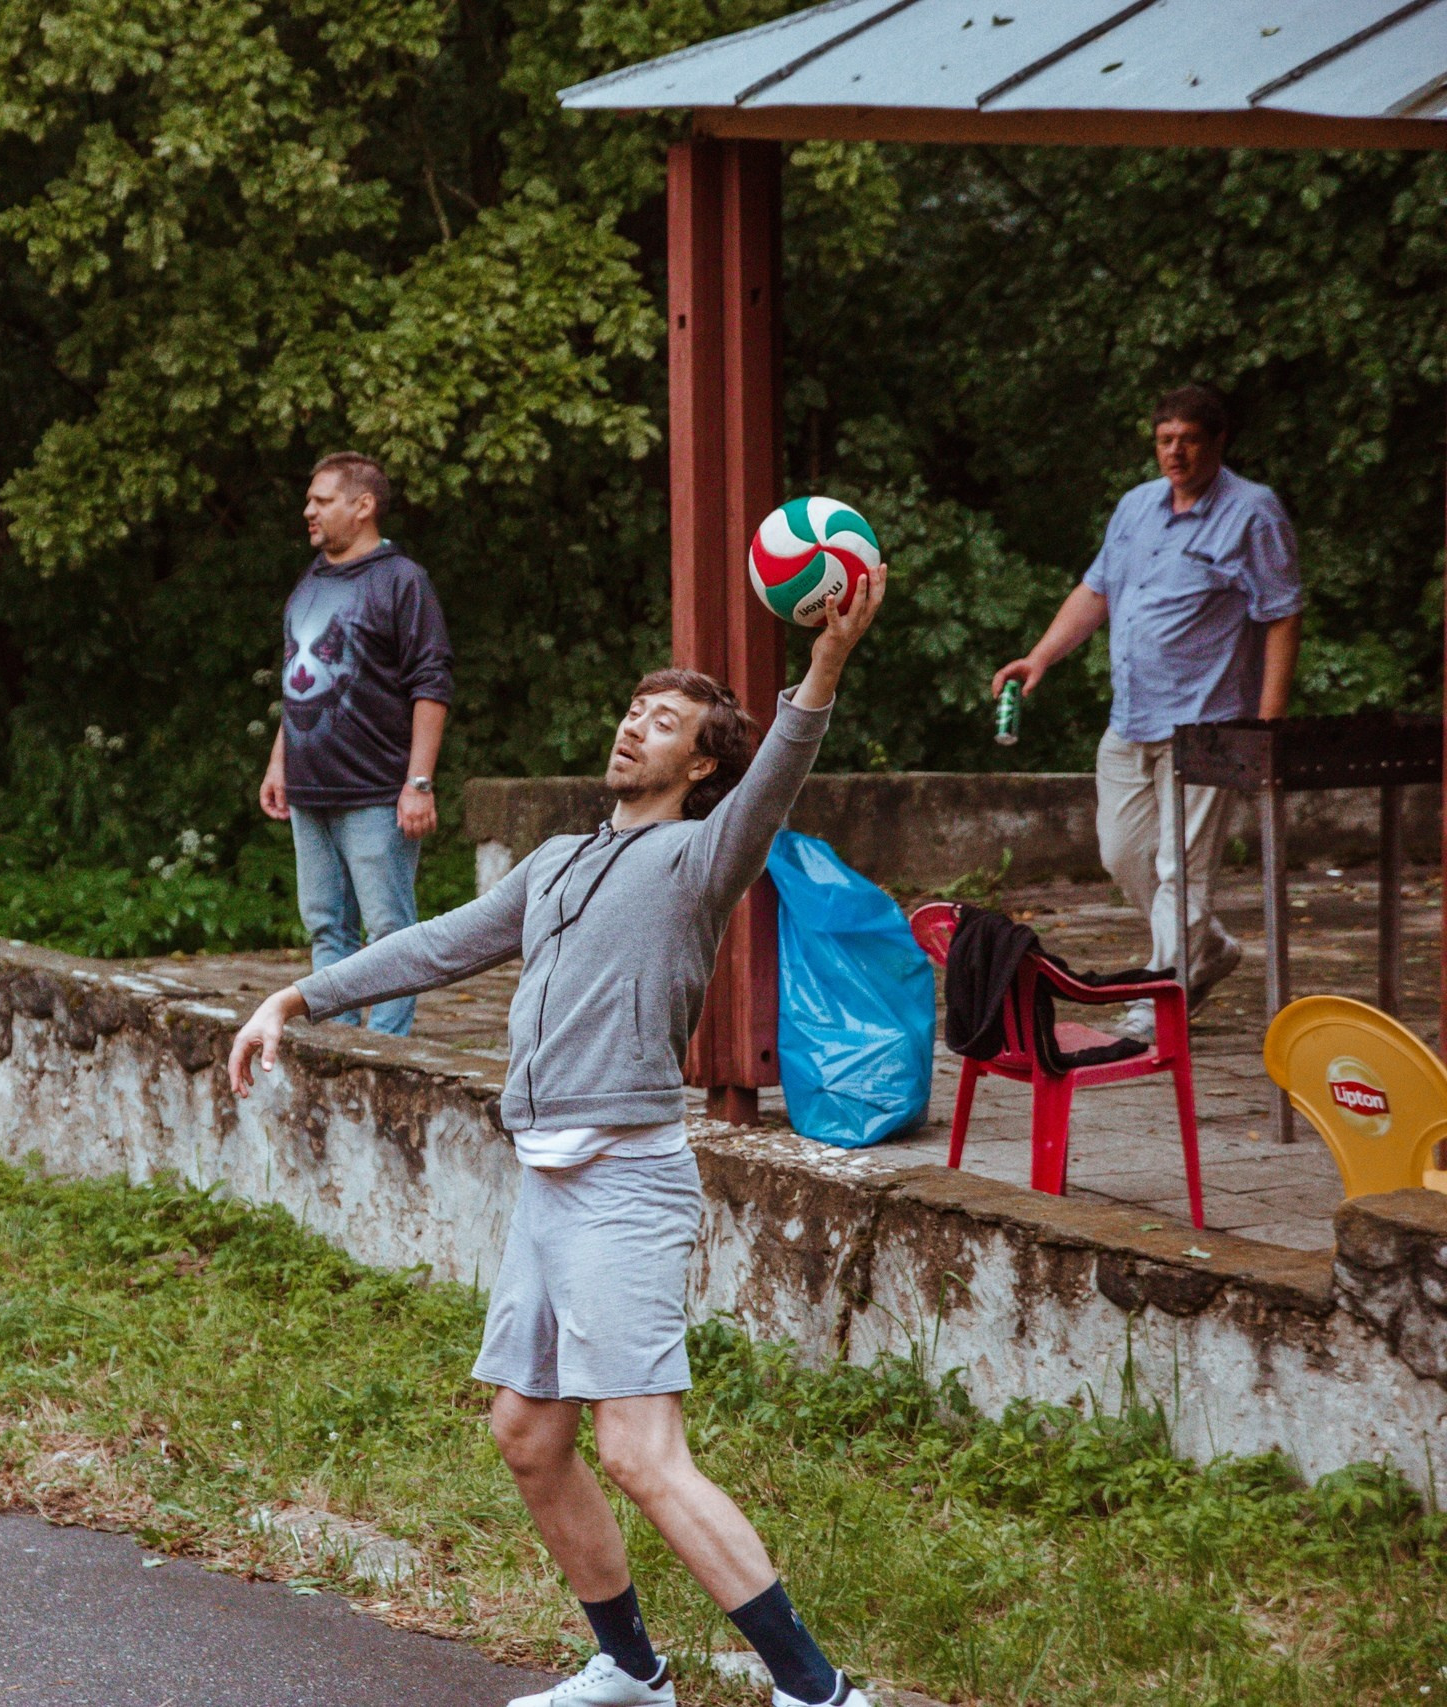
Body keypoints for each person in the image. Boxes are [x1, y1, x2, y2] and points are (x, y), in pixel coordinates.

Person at [227, 569, 890, 1707]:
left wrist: (824, 661)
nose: (635, 726)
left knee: (639, 1451)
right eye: (635, 709)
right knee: (529, 1434)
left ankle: (819, 1693)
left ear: (701, 768)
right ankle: (630, 1669)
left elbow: (780, 771)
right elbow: (435, 944)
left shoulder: (700, 859)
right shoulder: (556, 863)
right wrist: (296, 996)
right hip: (547, 1184)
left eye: (665, 723)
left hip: (625, 1180)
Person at [992, 383, 1302, 1041]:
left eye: (1189, 439)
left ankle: (1160, 996)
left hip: (1208, 725)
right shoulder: (1137, 506)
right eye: (1165, 439)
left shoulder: (1254, 513)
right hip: (1131, 718)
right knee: (1123, 854)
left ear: (1218, 442)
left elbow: (1281, 614)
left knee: (1179, 871)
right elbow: (1096, 590)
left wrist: (1268, 720)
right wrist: (1039, 657)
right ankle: (1206, 950)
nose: (1175, 452)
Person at [256, 452, 454, 1037]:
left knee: (390, 934)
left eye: (321, 500)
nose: (308, 511)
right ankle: (339, 1051)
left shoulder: (402, 580)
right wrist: (279, 763)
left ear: (363, 505)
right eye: (309, 500)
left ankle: (388, 1055)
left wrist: (419, 783)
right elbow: (299, 677)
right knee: (326, 931)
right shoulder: (311, 580)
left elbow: (432, 683)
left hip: (376, 791)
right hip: (310, 790)